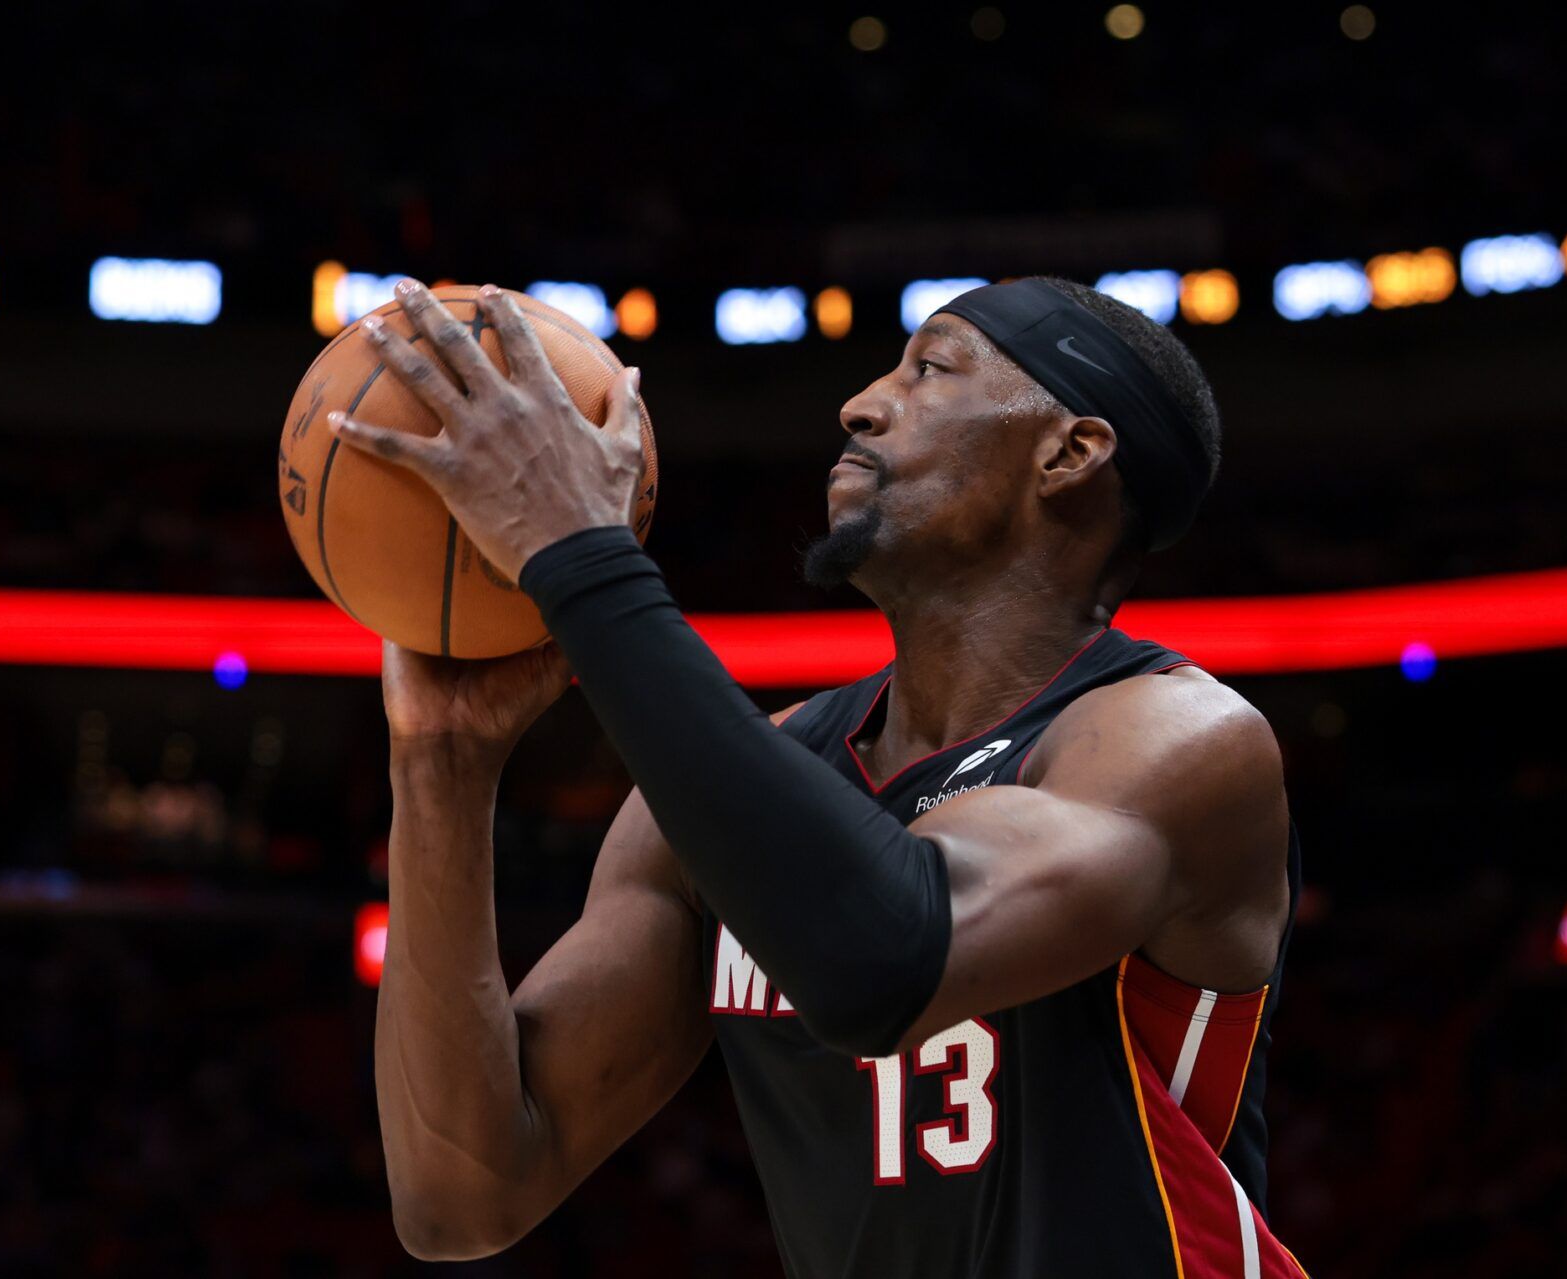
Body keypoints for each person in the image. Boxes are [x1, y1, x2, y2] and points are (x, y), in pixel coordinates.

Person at [334, 275, 1307, 1278]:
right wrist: (441, 761)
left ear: (1070, 453)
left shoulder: (1177, 743)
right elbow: (462, 1195)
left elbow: (880, 957)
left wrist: (582, 561)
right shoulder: (738, 790)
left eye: (929, 368)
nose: (861, 402)